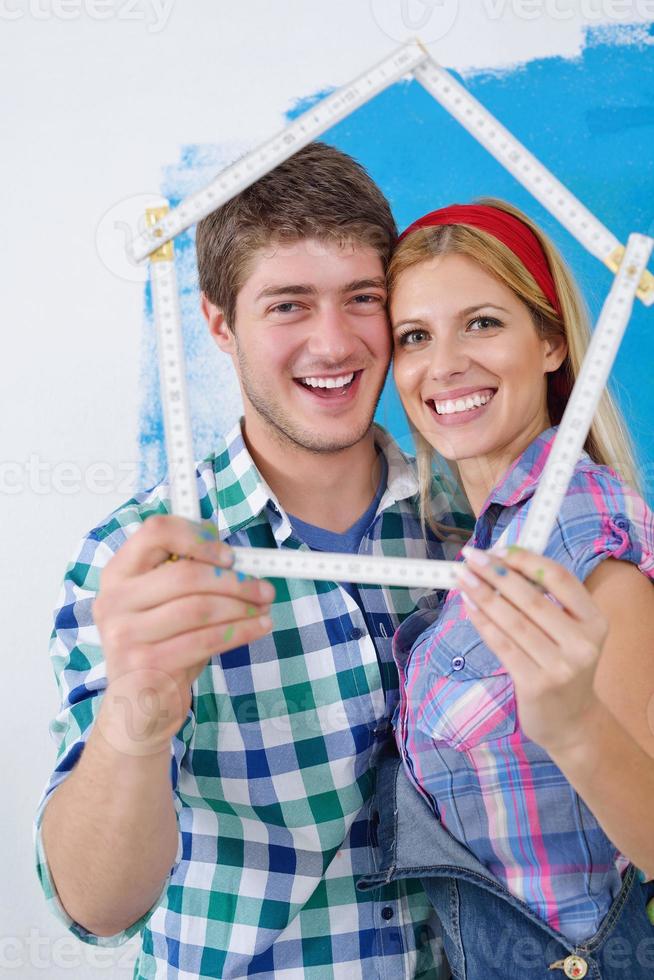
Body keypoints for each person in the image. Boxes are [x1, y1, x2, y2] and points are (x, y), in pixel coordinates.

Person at [33, 143, 471, 978]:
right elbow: (96, 908)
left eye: (361, 299)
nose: (334, 343)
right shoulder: (142, 562)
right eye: (288, 305)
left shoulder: (470, 530)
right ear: (218, 324)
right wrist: (140, 716)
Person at [358, 199, 654, 979]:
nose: (444, 364)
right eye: (415, 337)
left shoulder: (587, 536)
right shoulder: (488, 532)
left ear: (552, 342)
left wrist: (577, 725)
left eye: (482, 323)